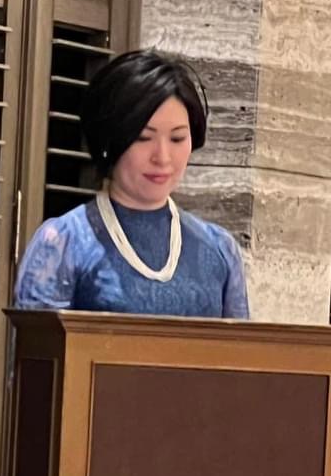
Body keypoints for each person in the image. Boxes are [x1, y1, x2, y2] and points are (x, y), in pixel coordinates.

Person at [14, 49, 250, 318]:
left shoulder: (219, 248)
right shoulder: (64, 242)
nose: (162, 157)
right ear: (110, 139)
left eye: (177, 139)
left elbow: (240, 345)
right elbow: (38, 343)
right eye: (143, 138)